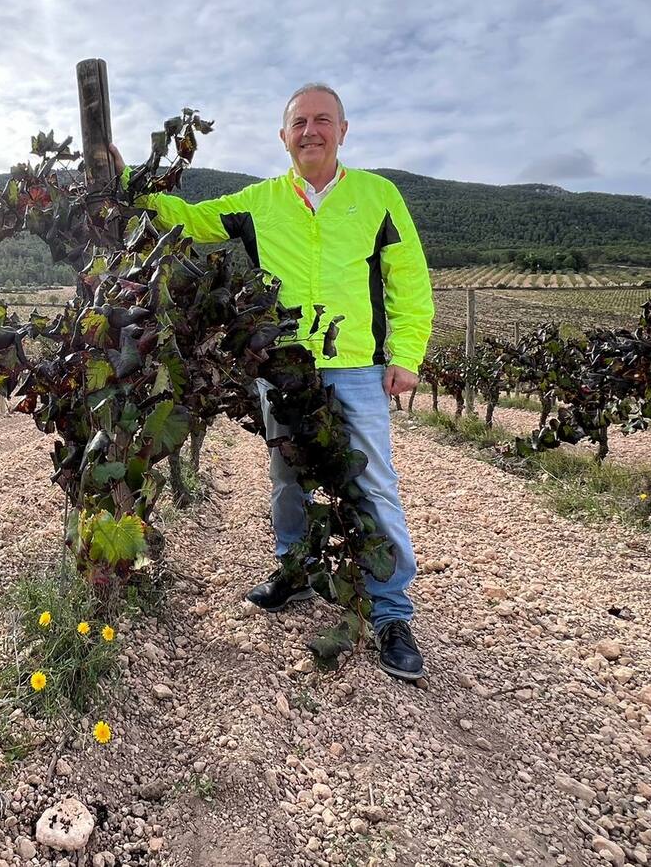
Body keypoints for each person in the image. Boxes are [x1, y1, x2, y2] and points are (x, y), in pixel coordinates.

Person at [110, 83, 434, 680]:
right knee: (287, 478)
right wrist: (126, 178)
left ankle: (391, 612)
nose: (310, 131)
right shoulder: (260, 201)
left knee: (375, 486)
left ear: (343, 130)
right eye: (299, 123)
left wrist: (406, 352)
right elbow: (189, 220)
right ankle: (294, 572)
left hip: (356, 366)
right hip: (282, 366)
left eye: (322, 121)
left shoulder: (378, 196)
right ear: (283, 136)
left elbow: (408, 280)